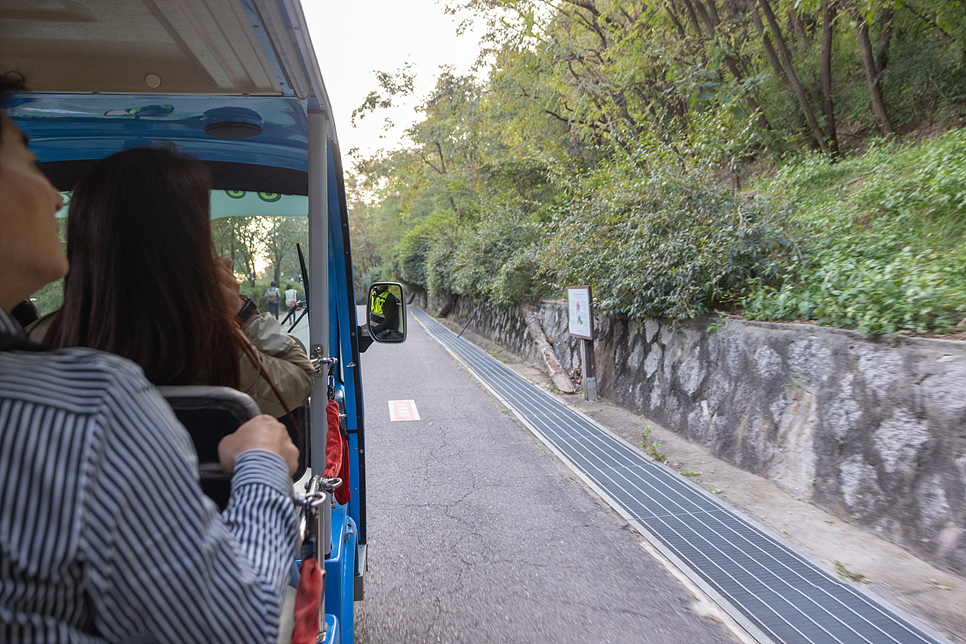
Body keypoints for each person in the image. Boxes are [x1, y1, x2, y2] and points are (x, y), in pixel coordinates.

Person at [0, 80, 298, 643]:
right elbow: (298, 380)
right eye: (23, 153)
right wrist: (261, 463)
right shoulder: (94, 403)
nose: (54, 197)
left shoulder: (38, 341)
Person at [29, 147, 313, 418]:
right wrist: (242, 311)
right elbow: (300, 377)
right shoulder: (214, 351)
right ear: (187, 250)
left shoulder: (33, 347)